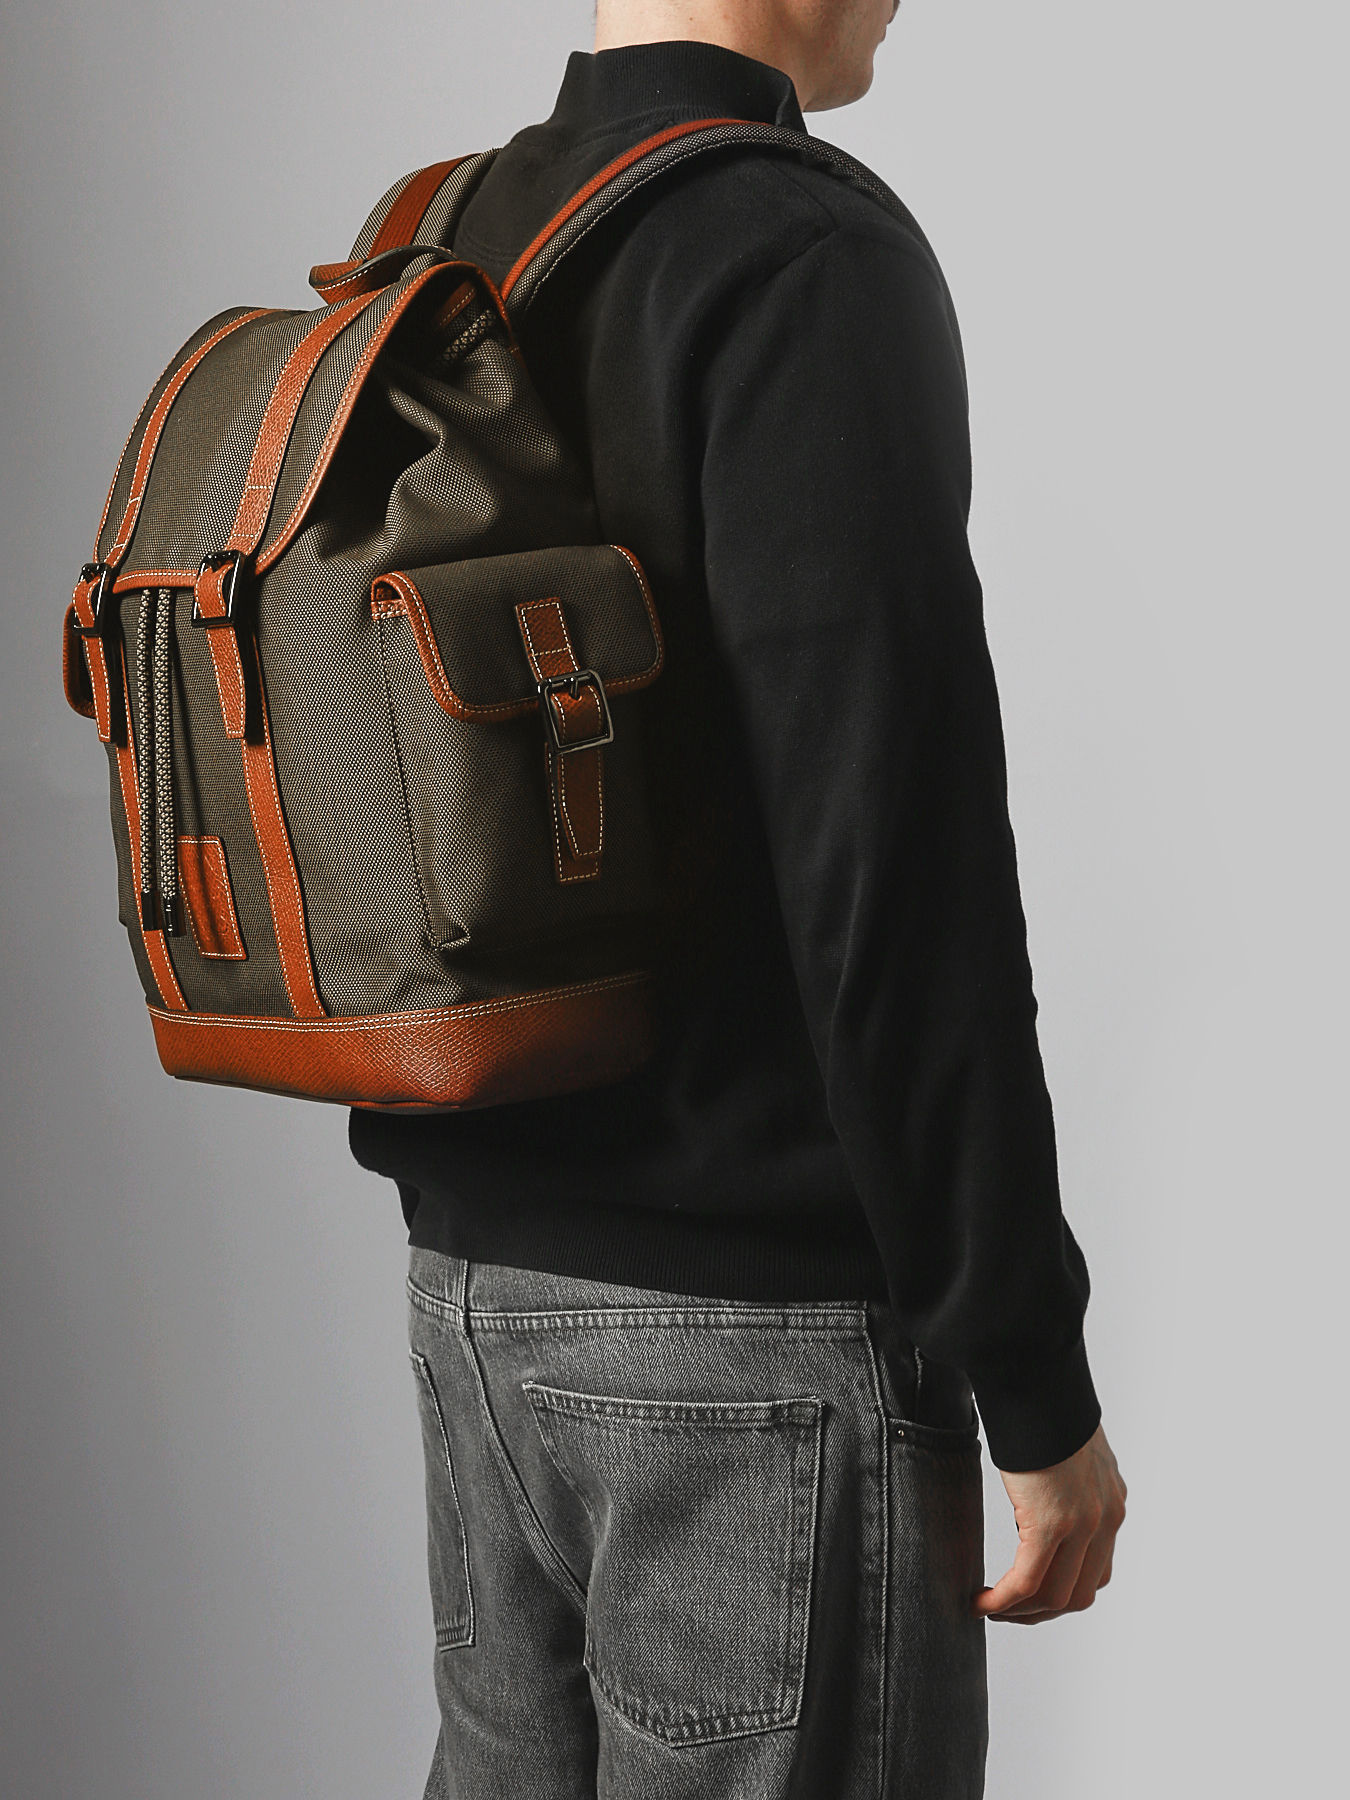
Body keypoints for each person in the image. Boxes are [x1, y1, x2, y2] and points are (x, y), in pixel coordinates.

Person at [350, 2, 1127, 1793]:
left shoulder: (441, 237)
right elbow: (895, 871)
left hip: (471, 1291)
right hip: (749, 1351)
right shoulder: (795, 248)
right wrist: (1034, 1378)